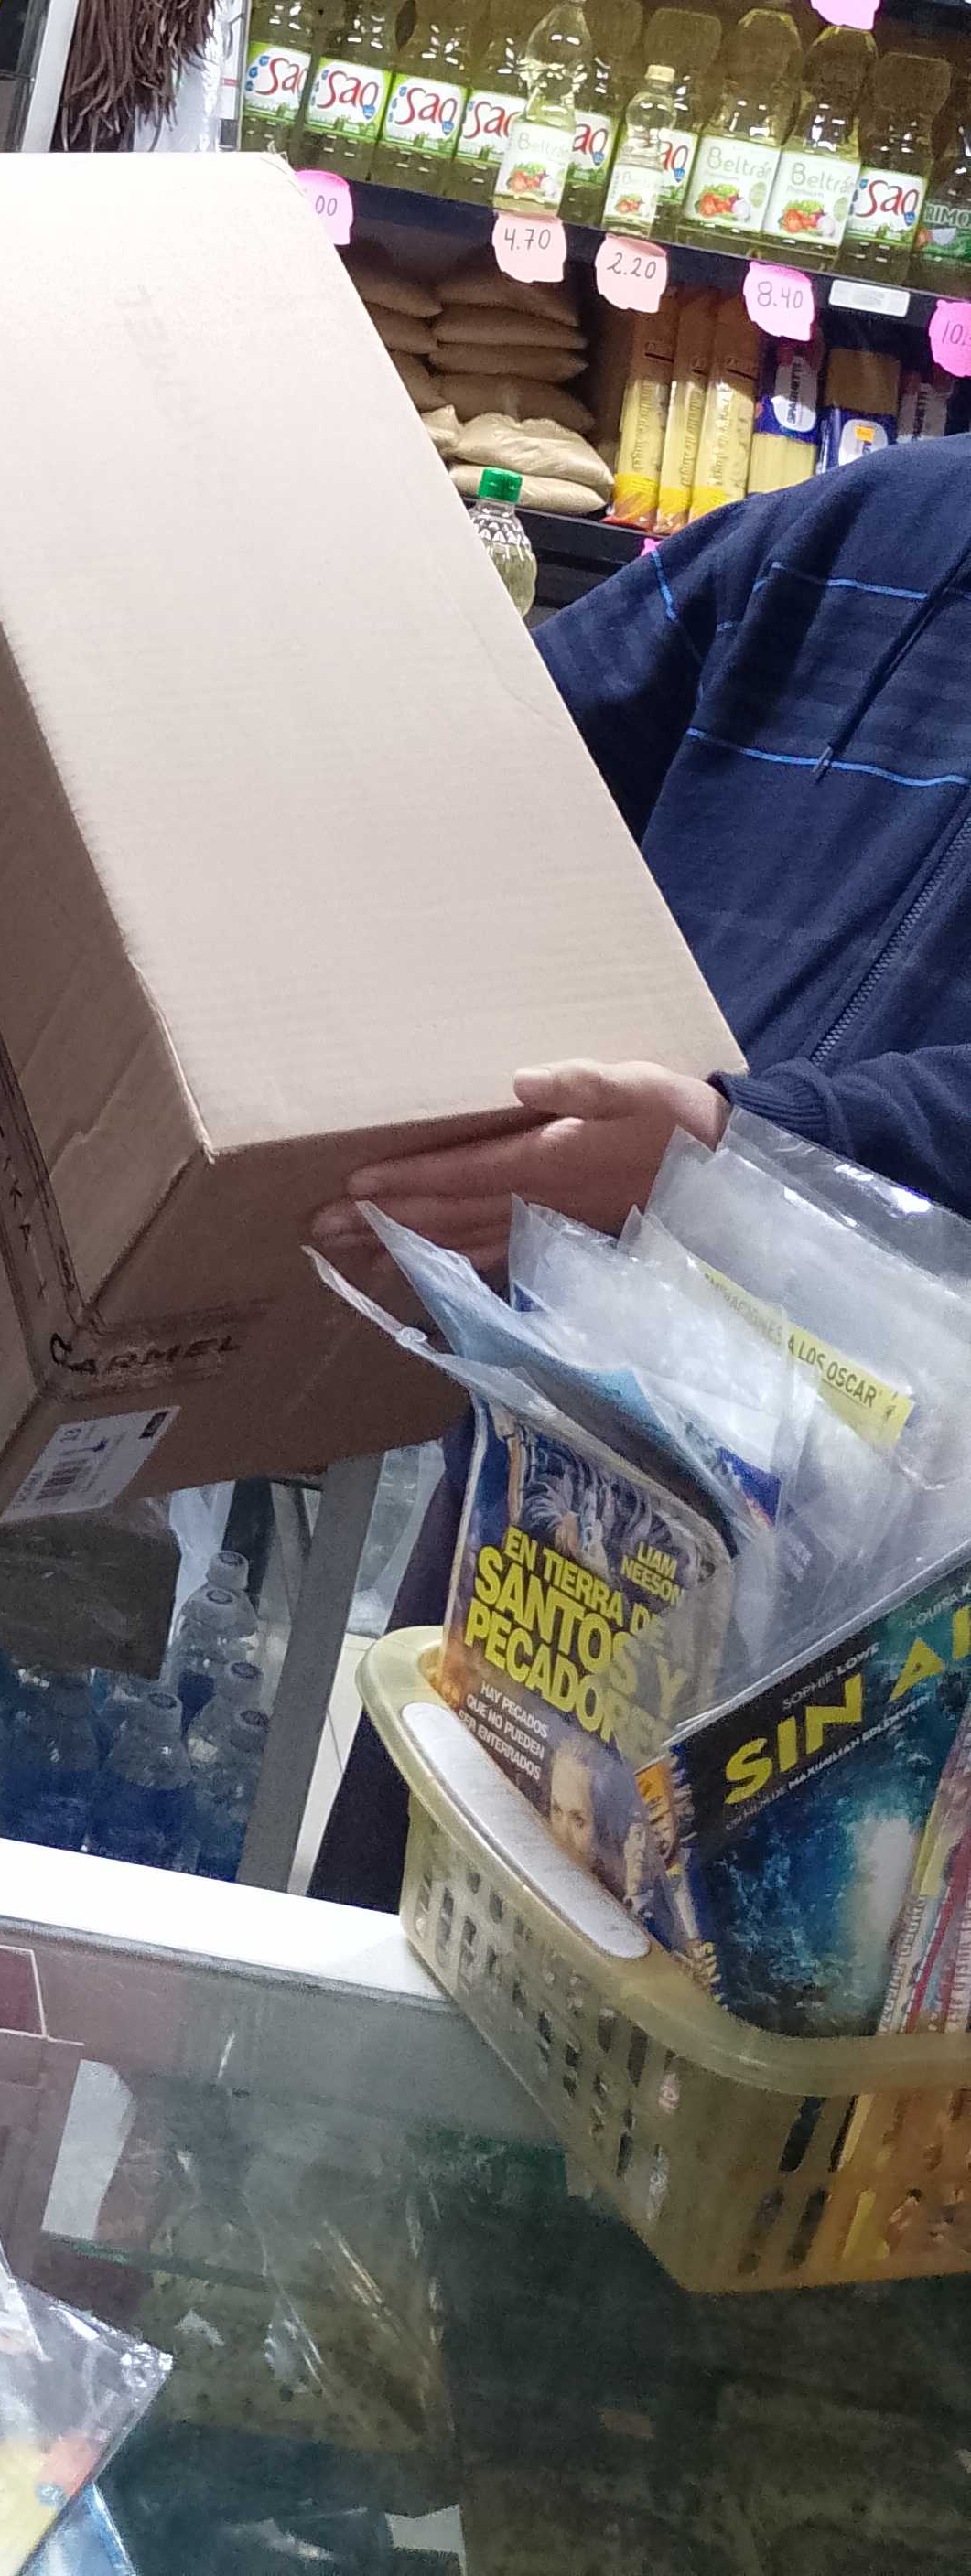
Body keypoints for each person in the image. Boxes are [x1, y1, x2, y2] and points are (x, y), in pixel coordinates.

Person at [311, 434, 971, 1898]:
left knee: (793, 2014)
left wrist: (747, 1149)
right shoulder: (853, 536)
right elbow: (474, 776)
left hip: (914, 1659)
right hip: (569, 1508)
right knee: (404, 1965)